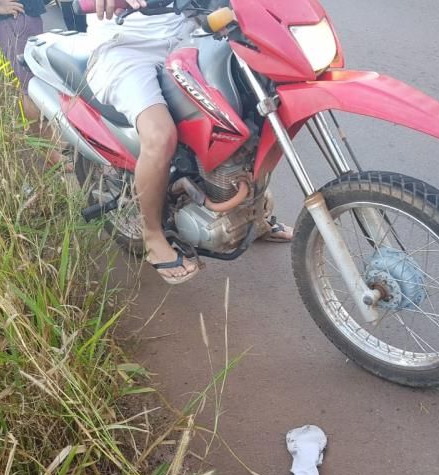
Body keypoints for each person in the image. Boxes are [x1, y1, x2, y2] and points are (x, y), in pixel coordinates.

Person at [87, 0, 292, 285]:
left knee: (253, 112)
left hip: (192, 34)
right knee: (160, 136)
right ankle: (152, 236)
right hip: (127, 48)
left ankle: (252, 213)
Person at [0, 0, 67, 167]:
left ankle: (49, 141)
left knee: (32, 81)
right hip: (14, 17)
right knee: (33, 86)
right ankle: (49, 155)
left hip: (22, 13)